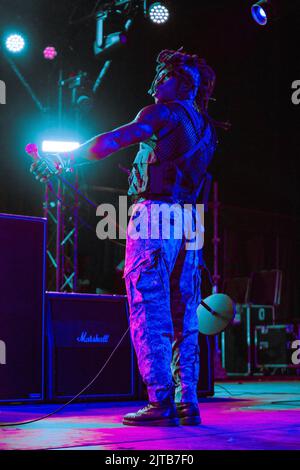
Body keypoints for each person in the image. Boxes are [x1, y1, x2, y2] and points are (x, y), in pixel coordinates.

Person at [31, 48, 226, 426]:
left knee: (149, 307)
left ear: (178, 82)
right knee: (184, 311)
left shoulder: (163, 112)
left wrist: (65, 160)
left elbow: (114, 140)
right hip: (191, 222)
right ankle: (188, 401)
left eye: (162, 75)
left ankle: (160, 402)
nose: (155, 83)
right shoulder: (205, 126)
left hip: (156, 216)